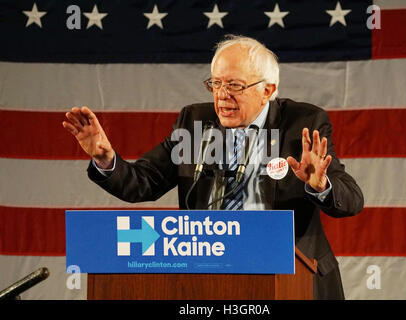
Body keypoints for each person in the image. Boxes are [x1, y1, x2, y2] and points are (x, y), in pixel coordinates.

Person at [62, 35, 364, 299]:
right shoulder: (194, 123)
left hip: (290, 277)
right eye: (216, 83)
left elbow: (352, 200)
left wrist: (319, 185)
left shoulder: (303, 124)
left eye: (234, 85)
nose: (221, 95)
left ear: (268, 90)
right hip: (208, 275)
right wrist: (104, 157)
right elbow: (143, 182)